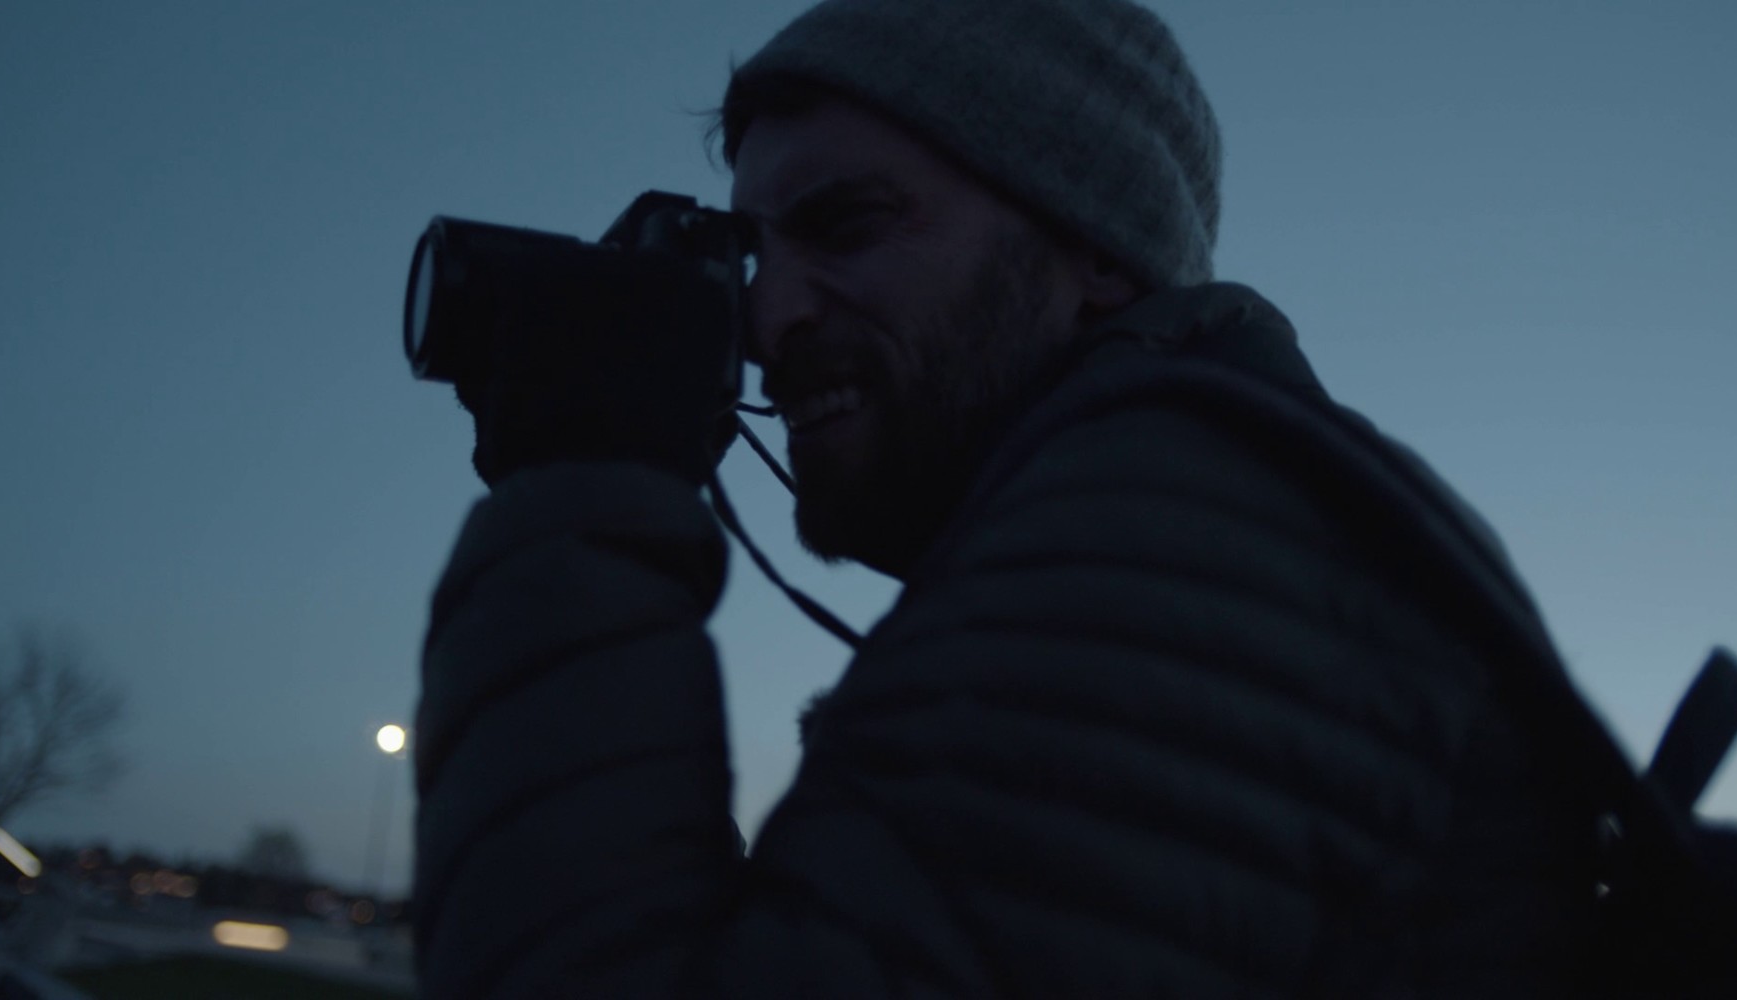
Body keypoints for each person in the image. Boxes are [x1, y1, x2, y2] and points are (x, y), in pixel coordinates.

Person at [410, 0, 1616, 996]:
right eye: (754, 256)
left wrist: (581, 484)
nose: (765, 318)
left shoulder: (1173, 549)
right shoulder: (1199, 523)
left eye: (846, 225)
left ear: (1097, 248)